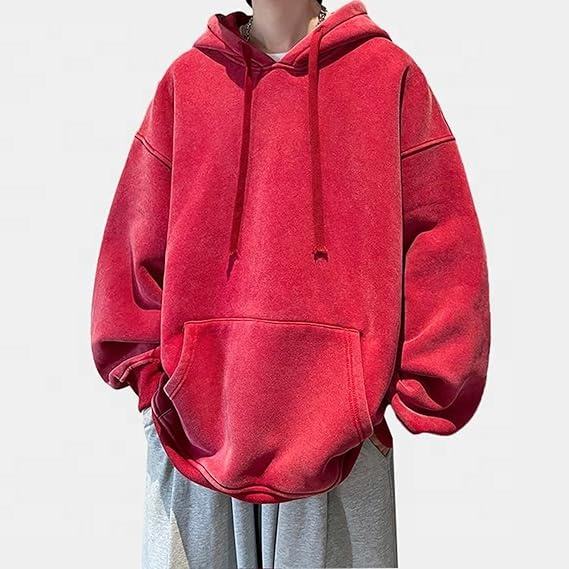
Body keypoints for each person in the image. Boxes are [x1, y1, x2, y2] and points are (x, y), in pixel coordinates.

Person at [90, 0, 491, 567]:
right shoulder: (188, 82)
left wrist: (412, 387)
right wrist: (155, 380)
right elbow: (134, 240)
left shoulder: (388, 77)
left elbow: (442, 240)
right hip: (195, 434)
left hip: (343, 441)